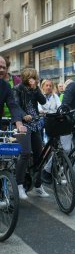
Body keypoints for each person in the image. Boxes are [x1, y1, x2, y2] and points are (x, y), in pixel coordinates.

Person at [42, 69, 75, 191]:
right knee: (66, 149)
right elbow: (65, 105)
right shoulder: (74, 86)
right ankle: (47, 171)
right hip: (67, 125)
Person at [13, 68, 49, 199]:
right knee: (26, 153)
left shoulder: (35, 89)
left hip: (35, 124)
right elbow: (16, 106)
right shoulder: (17, 89)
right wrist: (24, 115)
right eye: (31, 78)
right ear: (26, 78)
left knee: (39, 156)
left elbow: (43, 102)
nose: (33, 80)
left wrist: (35, 89)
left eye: (34, 78)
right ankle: (19, 185)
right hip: (22, 124)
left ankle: (38, 186)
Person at [0, 56, 27, 199]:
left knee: (4, 159)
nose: (2, 70)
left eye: (4, 67)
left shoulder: (5, 86)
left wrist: (19, 123)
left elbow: (12, 105)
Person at [2, 57, 21, 121]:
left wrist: (19, 120)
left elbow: (13, 102)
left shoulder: (16, 80)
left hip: (14, 114)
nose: (2, 70)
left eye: (4, 67)